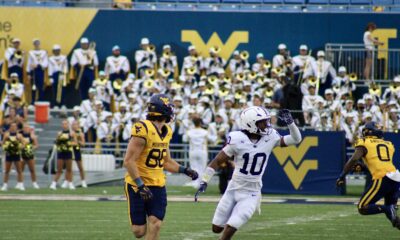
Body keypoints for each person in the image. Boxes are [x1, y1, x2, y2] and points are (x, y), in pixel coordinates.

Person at [195, 107, 302, 239]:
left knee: (232, 226)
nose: (267, 125)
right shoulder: (237, 139)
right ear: (251, 123)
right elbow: (216, 162)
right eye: (263, 122)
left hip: (252, 191)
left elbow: (296, 139)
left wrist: (290, 123)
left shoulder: (271, 136)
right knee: (216, 228)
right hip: (233, 188)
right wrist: (204, 180)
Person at [123, 94, 199, 239]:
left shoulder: (167, 130)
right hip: (136, 184)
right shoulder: (143, 128)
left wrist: (185, 170)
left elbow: (166, 161)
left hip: (158, 184)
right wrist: (140, 185)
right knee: (138, 231)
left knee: (156, 223)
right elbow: (129, 161)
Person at [336, 121, 400, 230]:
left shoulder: (364, 142)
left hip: (383, 177)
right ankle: (390, 211)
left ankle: (388, 208)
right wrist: (364, 168)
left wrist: (342, 176)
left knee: (363, 207)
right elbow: (380, 163)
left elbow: (354, 159)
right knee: (393, 217)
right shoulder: (388, 144)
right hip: (396, 177)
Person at [183, 117, 215, 187]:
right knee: (202, 168)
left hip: (193, 151)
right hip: (202, 151)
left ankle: (195, 182)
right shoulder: (205, 132)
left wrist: (187, 131)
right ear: (200, 123)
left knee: (194, 167)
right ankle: (200, 183)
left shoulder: (190, 131)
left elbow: (184, 139)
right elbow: (213, 139)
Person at [50, 120, 77, 190]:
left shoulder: (72, 133)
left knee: (69, 169)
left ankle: (70, 183)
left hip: (68, 152)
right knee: (59, 169)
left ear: (68, 125)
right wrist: (58, 138)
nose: (64, 125)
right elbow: (56, 142)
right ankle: (53, 183)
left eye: (66, 124)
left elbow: (75, 143)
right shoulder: (59, 133)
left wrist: (70, 143)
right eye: (63, 124)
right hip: (61, 152)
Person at [1, 122, 25, 191]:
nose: (13, 127)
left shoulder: (19, 135)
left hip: (16, 154)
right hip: (9, 154)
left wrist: (19, 147)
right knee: (7, 171)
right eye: (12, 126)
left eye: (15, 126)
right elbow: (3, 144)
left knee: (19, 170)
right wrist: (6, 147)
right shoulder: (7, 135)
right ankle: (5, 185)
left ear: (16, 127)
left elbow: (23, 144)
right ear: (10, 127)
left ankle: (21, 184)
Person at [27, 39, 49, 103]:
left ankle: (41, 100)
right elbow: (29, 63)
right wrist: (28, 73)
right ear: (33, 44)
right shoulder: (31, 52)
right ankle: (33, 101)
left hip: (40, 71)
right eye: (35, 43)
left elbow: (46, 63)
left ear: (39, 44)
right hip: (33, 71)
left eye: (37, 43)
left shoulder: (44, 52)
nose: (36, 45)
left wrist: (39, 65)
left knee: (41, 86)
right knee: (33, 86)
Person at [21, 123, 40, 189]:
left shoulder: (32, 136)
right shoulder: (20, 136)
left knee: (32, 169)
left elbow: (37, 145)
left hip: (30, 154)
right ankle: (20, 183)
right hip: (22, 154)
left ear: (29, 129)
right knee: (21, 170)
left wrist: (31, 147)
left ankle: (34, 183)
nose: (26, 129)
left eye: (27, 128)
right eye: (25, 128)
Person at [71, 120, 87, 188]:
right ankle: (69, 182)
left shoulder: (80, 134)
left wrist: (77, 141)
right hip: (70, 150)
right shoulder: (70, 133)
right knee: (70, 168)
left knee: (80, 167)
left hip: (77, 150)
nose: (74, 126)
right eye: (73, 124)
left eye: (75, 124)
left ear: (78, 125)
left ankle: (83, 181)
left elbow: (83, 144)